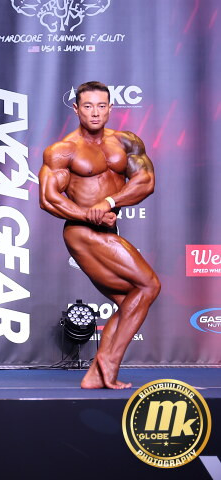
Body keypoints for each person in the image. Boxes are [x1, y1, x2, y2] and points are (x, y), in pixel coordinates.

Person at [39, 81, 159, 389]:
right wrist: (87, 214)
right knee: (149, 285)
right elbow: (49, 198)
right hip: (81, 232)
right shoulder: (63, 150)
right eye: (88, 106)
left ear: (110, 108)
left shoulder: (126, 142)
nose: (95, 112)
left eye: (101, 106)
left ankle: (95, 376)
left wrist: (108, 202)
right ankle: (108, 360)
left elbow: (145, 181)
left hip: (107, 228)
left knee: (131, 298)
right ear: (76, 109)